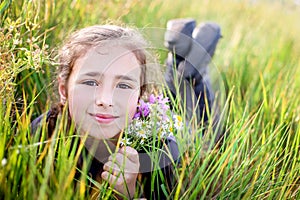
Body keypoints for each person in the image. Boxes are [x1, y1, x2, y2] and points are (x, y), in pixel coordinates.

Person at [31, 21, 221, 199]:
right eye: (90, 82)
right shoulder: (43, 133)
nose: (105, 100)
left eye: (123, 86)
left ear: (139, 96)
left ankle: (193, 70)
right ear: (63, 90)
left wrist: (129, 192)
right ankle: (178, 59)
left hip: (173, 128)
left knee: (201, 129)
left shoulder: (158, 147)